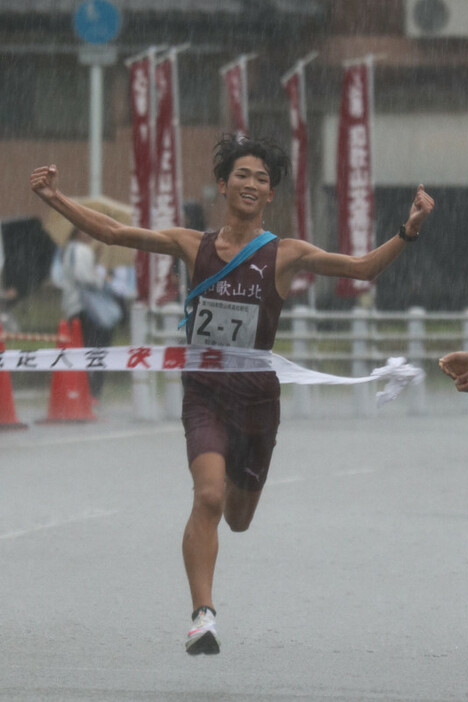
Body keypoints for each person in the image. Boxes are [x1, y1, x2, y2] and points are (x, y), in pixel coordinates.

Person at [31, 134, 434, 656]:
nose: (251, 183)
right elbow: (113, 232)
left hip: (256, 402)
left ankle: (221, 557)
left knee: (238, 518)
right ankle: (203, 616)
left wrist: (409, 229)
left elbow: (361, 269)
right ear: (223, 185)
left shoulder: (285, 254)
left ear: (270, 196)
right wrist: (55, 199)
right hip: (203, 393)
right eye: (241, 174)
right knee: (208, 497)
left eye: (262, 179)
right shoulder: (188, 243)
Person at [62, 227, 122, 402]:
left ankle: (80, 391)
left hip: (73, 308)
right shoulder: (81, 250)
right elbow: (84, 278)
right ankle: (93, 393)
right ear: (79, 232)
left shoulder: (69, 250)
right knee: (97, 350)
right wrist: (102, 280)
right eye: (86, 231)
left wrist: (93, 260)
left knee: (81, 351)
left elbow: (76, 275)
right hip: (87, 310)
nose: (90, 235)